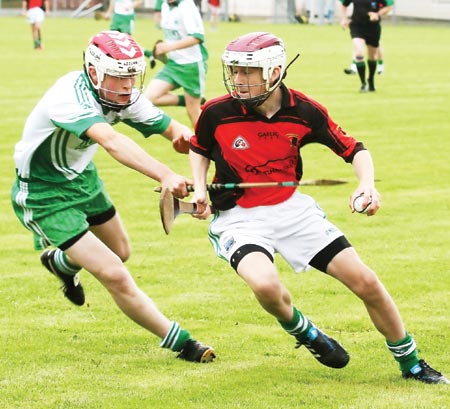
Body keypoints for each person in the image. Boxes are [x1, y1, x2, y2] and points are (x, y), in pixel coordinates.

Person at [188, 31, 448, 383]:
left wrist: (366, 185)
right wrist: (200, 190)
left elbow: (355, 149)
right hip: (239, 219)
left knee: (366, 282)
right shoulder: (216, 113)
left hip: (293, 212)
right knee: (265, 286)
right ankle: (305, 332)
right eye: (233, 71)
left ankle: (412, 363)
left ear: (275, 71)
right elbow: (199, 149)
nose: (238, 80)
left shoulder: (305, 111)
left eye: (247, 72)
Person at [11, 30, 215, 364]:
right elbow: (111, 141)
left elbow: (174, 129)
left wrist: (193, 152)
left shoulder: (124, 95)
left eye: (132, 76)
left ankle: (61, 263)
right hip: (44, 192)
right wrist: (165, 174)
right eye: (119, 77)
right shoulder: (70, 95)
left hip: (83, 179)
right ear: (94, 72)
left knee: (121, 252)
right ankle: (182, 342)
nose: (127, 85)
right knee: (113, 272)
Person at [143, 0, 208, 128]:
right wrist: (162, 51)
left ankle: (209, 145)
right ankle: (187, 101)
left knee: (193, 113)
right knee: (147, 99)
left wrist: (168, 47)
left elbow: (197, 37)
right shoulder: (165, 5)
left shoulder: (187, 6)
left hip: (191, 66)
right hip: (173, 65)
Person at [340, 0, 394, 92]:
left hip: (373, 27)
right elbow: (344, 4)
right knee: (359, 53)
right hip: (357, 26)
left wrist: (377, 14)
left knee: (372, 56)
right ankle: (363, 84)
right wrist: (344, 18)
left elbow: (389, 6)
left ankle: (371, 80)